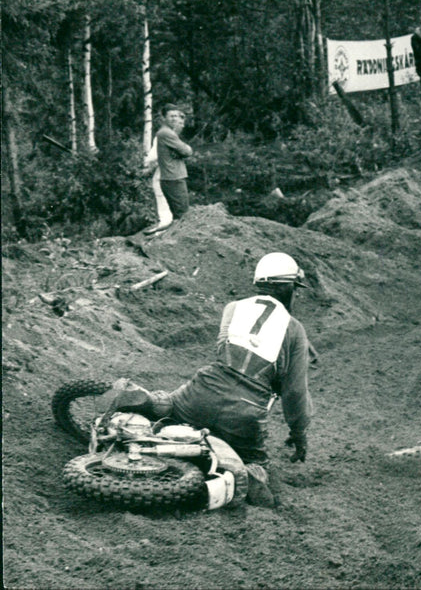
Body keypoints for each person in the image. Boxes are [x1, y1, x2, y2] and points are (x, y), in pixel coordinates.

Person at [109, 252, 314, 508]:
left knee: (169, 406)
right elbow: (295, 392)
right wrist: (298, 432)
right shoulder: (295, 329)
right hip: (246, 412)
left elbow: (223, 347)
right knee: (257, 464)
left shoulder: (234, 307)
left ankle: (143, 400)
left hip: (204, 390)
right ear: (288, 288)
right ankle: (250, 476)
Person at [154, 103, 193, 223]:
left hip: (173, 177)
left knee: (180, 215)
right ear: (164, 118)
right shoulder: (166, 133)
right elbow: (187, 151)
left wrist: (181, 151)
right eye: (171, 116)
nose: (174, 119)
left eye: (176, 116)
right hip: (173, 178)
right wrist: (184, 150)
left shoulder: (169, 133)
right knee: (182, 215)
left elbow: (182, 151)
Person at [141, 137, 173, 235]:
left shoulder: (162, 138)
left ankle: (164, 227)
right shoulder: (172, 138)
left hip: (163, 175)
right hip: (171, 173)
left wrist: (146, 162)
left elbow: (152, 157)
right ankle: (166, 226)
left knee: (162, 200)